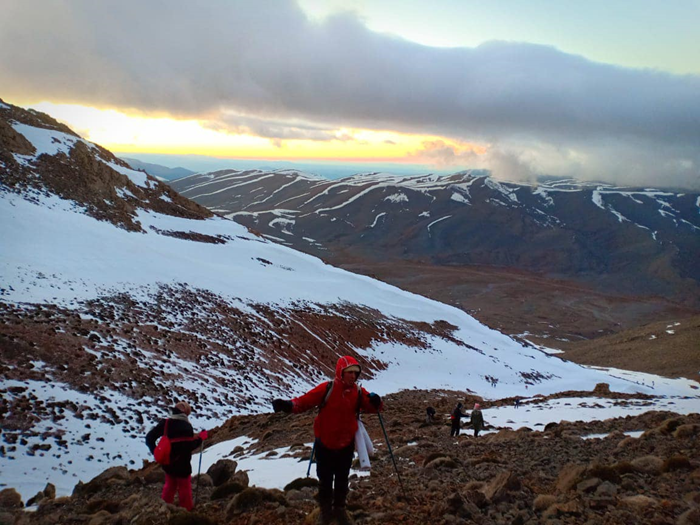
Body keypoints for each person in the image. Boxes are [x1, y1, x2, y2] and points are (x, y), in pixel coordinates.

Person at [272, 355, 383, 525]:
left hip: (345, 444)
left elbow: (374, 408)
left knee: (342, 478)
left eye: (355, 373)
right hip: (325, 443)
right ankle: (326, 510)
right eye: (349, 372)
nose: (353, 376)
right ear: (341, 372)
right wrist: (288, 405)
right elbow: (304, 402)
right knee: (325, 478)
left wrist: (377, 402)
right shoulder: (327, 388)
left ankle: (339, 509)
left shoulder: (358, 392)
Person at [145, 401, 208, 511]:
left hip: (168, 462)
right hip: (182, 464)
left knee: (169, 486)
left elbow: (149, 438)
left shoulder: (166, 423)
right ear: (185, 413)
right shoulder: (186, 426)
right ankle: (186, 511)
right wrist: (201, 438)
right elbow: (189, 445)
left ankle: (164, 508)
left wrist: (156, 452)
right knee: (184, 488)